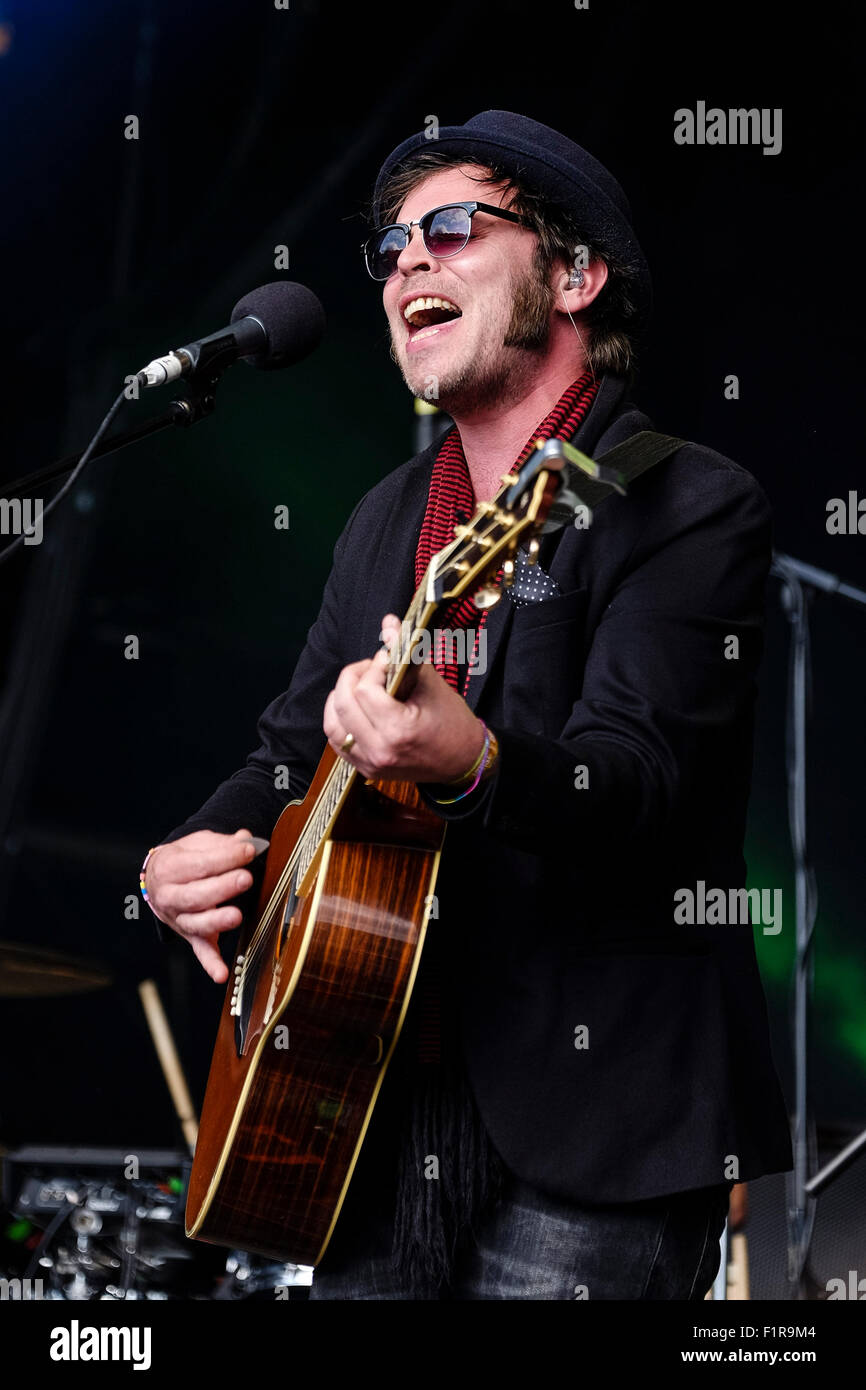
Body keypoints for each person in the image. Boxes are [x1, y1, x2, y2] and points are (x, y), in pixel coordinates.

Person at [141, 111, 793, 1300]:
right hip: (365, 1111)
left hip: (592, 1134)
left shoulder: (688, 501)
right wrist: (198, 848)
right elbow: (295, 750)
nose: (406, 266)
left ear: (577, 273)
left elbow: (638, 783)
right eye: (387, 249)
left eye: (450, 229)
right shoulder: (386, 516)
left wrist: (471, 763)